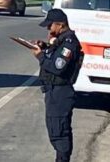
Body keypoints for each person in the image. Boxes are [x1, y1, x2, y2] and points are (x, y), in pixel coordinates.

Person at [31, 8, 83, 162]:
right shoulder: (61, 40)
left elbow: (57, 67)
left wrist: (40, 56)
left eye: (50, 25)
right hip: (54, 92)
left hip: (61, 93)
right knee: (55, 130)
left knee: (59, 132)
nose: (48, 28)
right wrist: (46, 47)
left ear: (60, 25)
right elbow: (55, 56)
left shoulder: (69, 43)